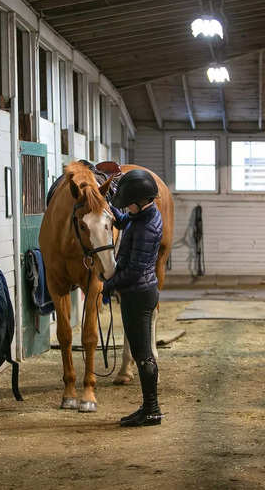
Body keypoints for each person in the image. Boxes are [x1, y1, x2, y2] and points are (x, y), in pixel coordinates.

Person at [102, 169, 163, 427]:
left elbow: (135, 270)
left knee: (142, 354)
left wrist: (109, 285)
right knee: (142, 352)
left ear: (140, 201)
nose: (126, 207)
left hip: (138, 293)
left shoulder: (147, 227)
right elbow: (125, 220)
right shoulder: (143, 216)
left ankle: (151, 409)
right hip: (139, 291)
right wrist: (109, 207)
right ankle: (148, 408)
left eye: (129, 203)